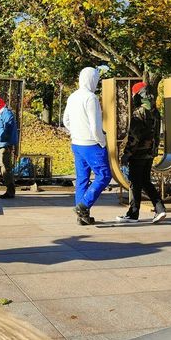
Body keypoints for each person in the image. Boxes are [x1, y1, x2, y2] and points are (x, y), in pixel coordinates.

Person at [63, 67, 112, 225]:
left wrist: (76, 131)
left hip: (77, 143)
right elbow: (95, 126)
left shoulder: (73, 96)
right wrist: (102, 141)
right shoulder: (91, 98)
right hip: (92, 144)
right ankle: (83, 206)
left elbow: (65, 120)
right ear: (92, 80)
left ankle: (82, 216)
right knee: (104, 175)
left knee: (82, 179)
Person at [117, 82, 166, 223]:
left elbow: (134, 137)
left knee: (135, 183)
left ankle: (133, 214)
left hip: (137, 154)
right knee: (145, 182)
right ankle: (160, 208)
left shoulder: (139, 113)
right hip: (149, 154)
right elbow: (156, 135)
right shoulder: (155, 112)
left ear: (139, 95)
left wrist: (127, 154)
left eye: (134, 95)